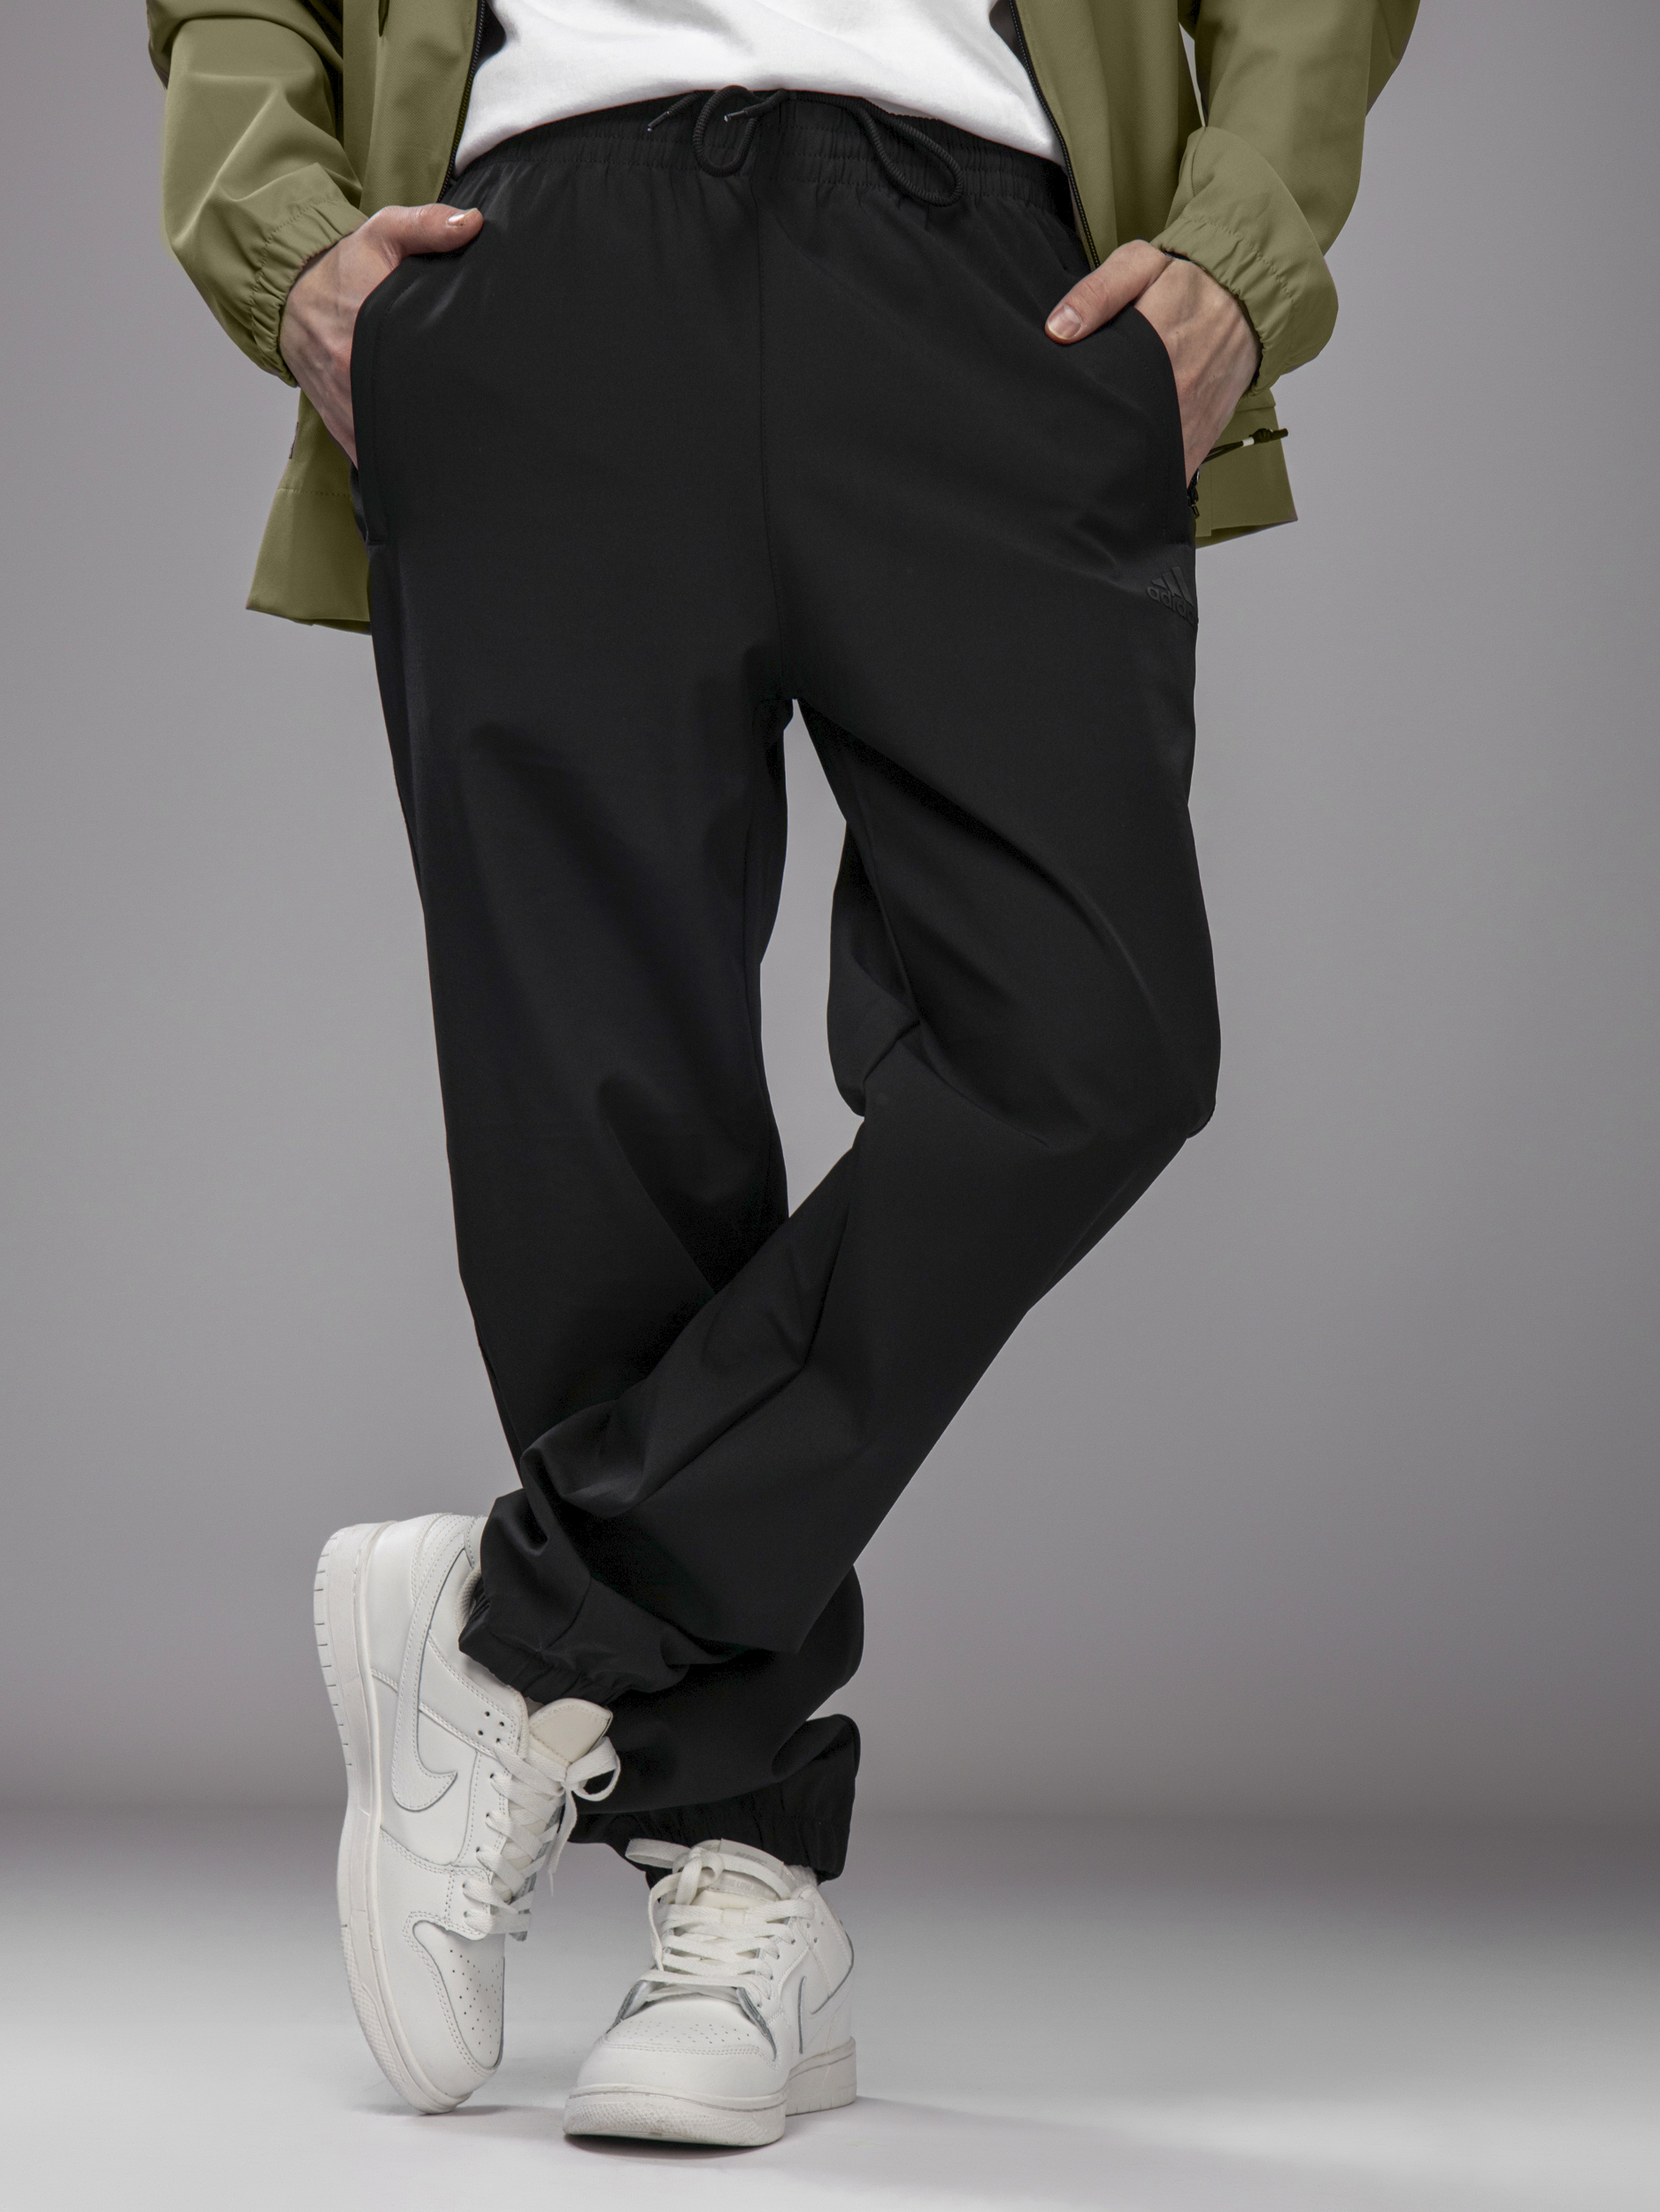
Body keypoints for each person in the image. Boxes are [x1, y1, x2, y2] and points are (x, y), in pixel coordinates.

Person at [150, 0, 1416, 2150]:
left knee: (1089, 1039)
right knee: (599, 1097)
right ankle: (737, 1899)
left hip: (987, 265)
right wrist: (290, 250)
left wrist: (1235, 252)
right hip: (531, 247)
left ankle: (515, 1627)